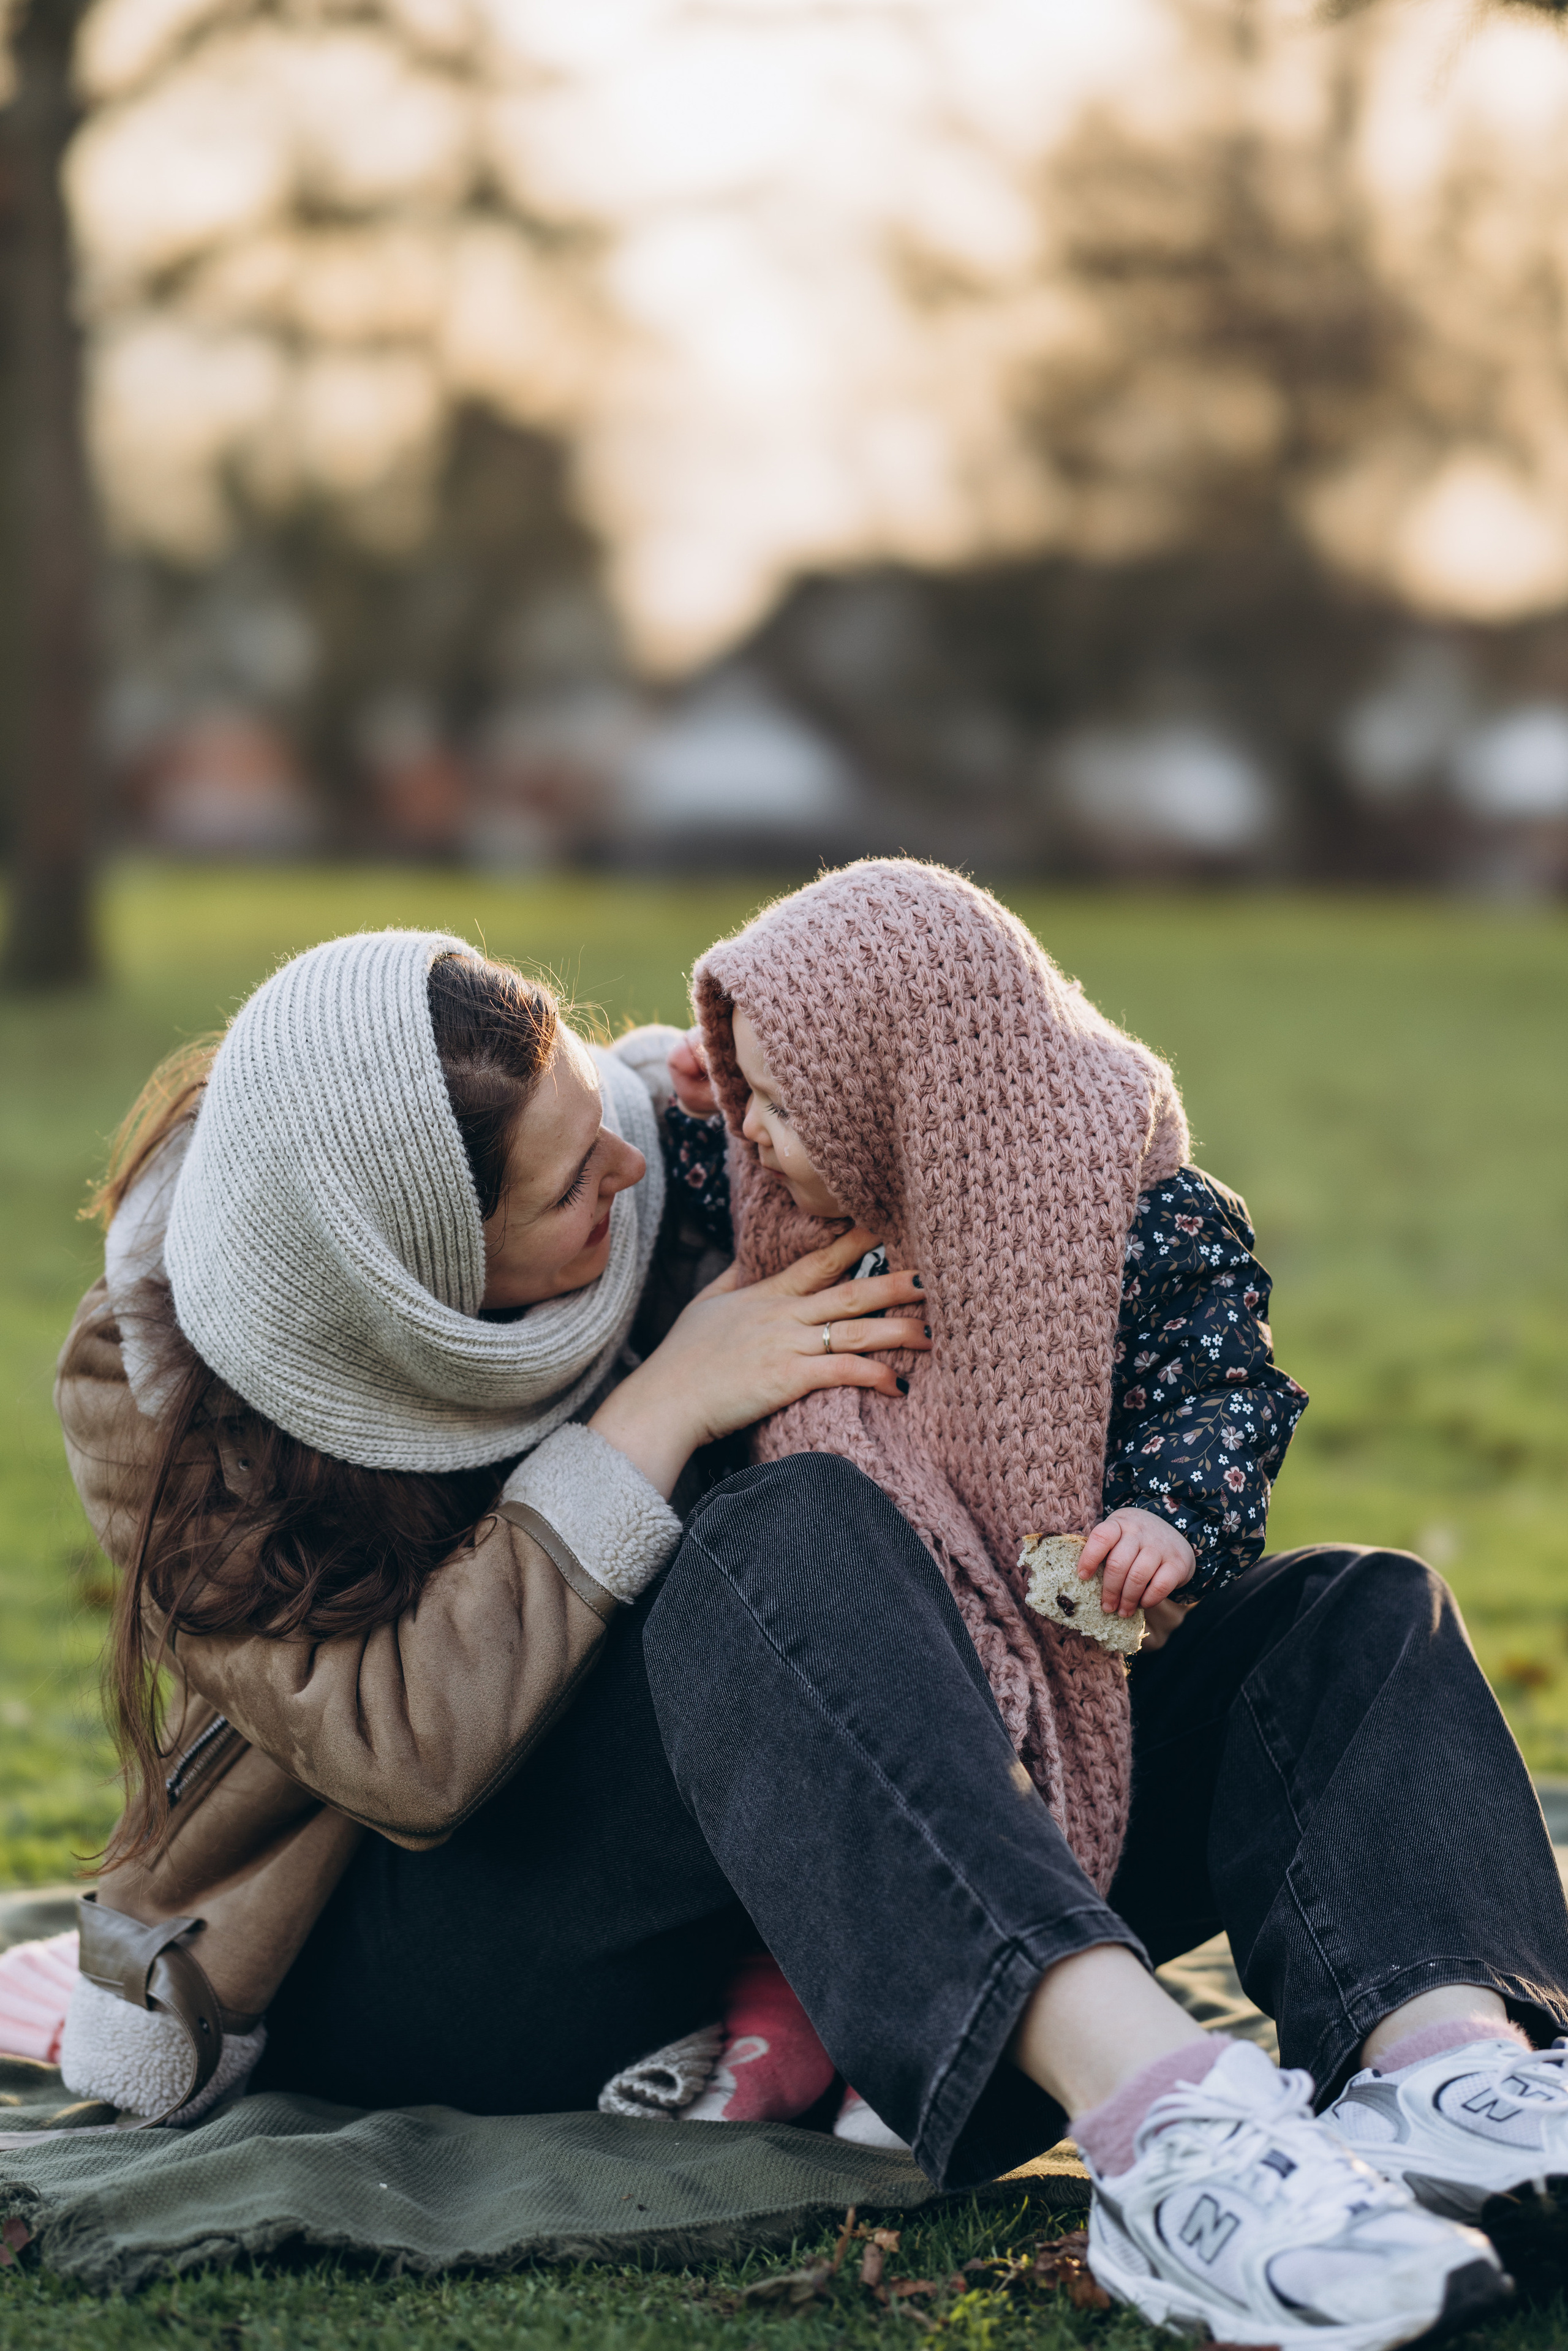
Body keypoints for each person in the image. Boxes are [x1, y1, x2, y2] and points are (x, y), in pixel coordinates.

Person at [26, 876, 1568, 2350]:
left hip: (813, 1833)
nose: (628, 1164)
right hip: (457, 1942)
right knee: (783, 1530)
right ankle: (1163, 2123)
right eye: (571, 1183)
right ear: (431, 1286)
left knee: (1346, 1617)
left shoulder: (662, 1147)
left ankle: (1448, 2070)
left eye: (597, 1101)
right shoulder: (161, 1389)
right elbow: (401, 1754)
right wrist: (667, 1400)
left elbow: (999, 1144)